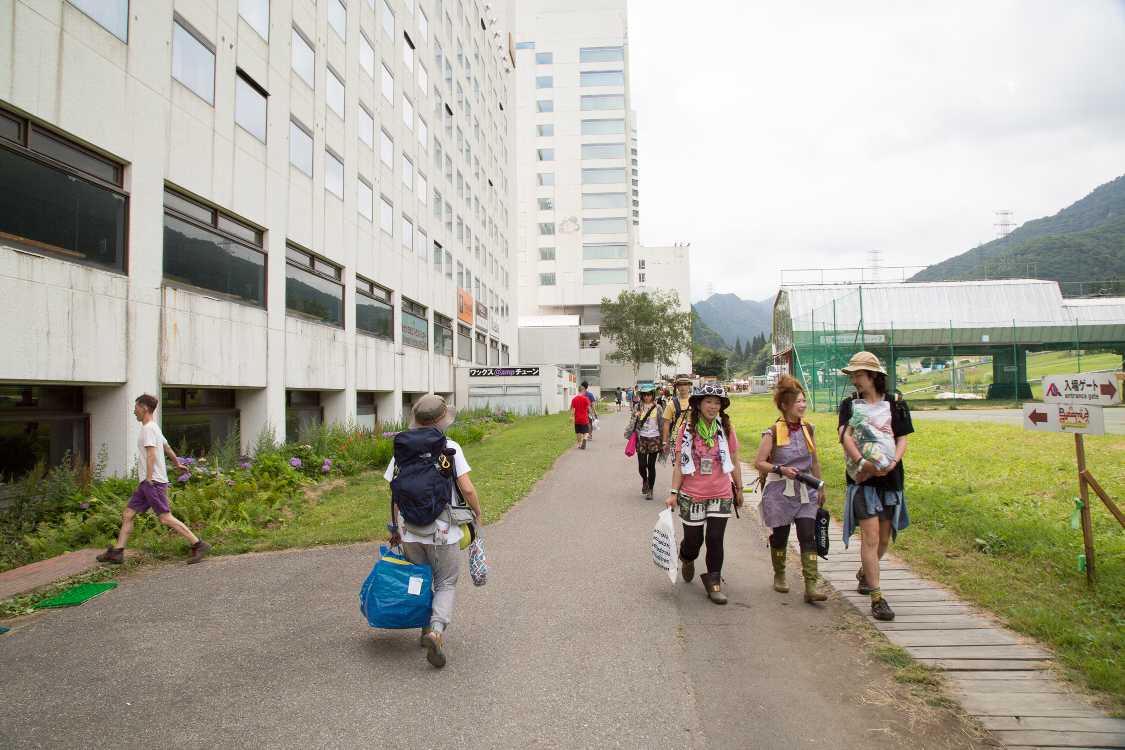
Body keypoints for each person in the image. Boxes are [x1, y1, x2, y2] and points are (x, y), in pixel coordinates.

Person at [385, 394, 482, 668]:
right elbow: (467, 488)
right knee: (446, 582)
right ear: (442, 420)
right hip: (443, 530)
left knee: (421, 578)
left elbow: (392, 490)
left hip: (409, 531)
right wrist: (477, 513)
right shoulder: (449, 447)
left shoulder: (402, 448)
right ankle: (436, 631)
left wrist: (395, 528)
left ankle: (423, 628)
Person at [838, 351, 913, 622]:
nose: (855, 380)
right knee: (869, 538)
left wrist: (893, 462)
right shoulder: (850, 405)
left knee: (883, 540)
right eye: (853, 375)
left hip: (890, 478)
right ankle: (877, 598)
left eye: (859, 374)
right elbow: (845, 436)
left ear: (873, 376)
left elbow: (902, 437)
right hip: (862, 479)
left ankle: (864, 574)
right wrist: (861, 463)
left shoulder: (896, 403)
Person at [97, 394, 211, 565]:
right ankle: (118, 552)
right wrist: (177, 463)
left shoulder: (149, 429)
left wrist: (149, 478)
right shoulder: (153, 428)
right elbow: (167, 447)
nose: (134, 411)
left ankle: (199, 544)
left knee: (165, 517)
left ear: (144, 408)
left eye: (136, 407)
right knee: (128, 514)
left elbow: (151, 454)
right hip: (147, 482)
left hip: (153, 482)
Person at [665, 383, 744, 605]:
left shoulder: (726, 428)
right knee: (694, 540)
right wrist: (673, 492)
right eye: (708, 401)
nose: (713, 406)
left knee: (715, 538)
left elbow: (735, 460)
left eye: (717, 402)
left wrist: (738, 487)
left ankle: (714, 582)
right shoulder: (686, 429)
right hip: (692, 494)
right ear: (698, 404)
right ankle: (687, 557)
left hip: (721, 492)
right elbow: (680, 464)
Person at [754, 375, 827, 604]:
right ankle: (780, 573)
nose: (803, 405)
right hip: (779, 492)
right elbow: (760, 462)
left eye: (804, 400)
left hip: (806, 490)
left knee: (808, 534)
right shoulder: (773, 431)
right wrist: (780, 468)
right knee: (780, 536)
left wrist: (820, 485)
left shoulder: (809, 429)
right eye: (798, 401)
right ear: (785, 405)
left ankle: (811, 585)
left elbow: (814, 461)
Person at [629, 384, 664, 499]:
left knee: (651, 465)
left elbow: (662, 424)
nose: (647, 397)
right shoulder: (638, 407)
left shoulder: (658, 407)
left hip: (655, 438)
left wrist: (664, 441)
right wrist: (635, 415)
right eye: (644, 395)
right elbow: (632, 421)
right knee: (642, 465)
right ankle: (645, 480)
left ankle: (650, 489)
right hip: (641, 438)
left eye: (649, 395)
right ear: (641, 395)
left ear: (653, 395)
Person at [661, 375, 693, 458]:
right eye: (680, 384)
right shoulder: (671, 404)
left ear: (689, 385)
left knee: (691, 467)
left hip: (692, 437)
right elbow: (666, 423)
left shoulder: (695, 402)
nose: (683, 387)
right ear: (677, 387)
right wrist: (664, 442)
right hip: (675, 438)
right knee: (677, 466)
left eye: (685, 384)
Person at [570, 383, 592, 449]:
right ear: (583, 390)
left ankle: (580, 444)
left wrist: (571, 416)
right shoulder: (586, 399)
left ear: (578, 390)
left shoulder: (574, 399)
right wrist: (591, 415)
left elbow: (572, 409)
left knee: (578, 432)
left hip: (577, 419)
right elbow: (589, 408)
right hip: (584, 418)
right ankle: (585, 439)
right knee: (586, 431)